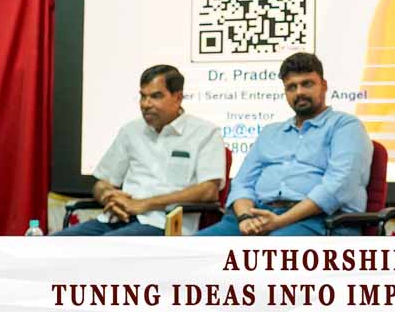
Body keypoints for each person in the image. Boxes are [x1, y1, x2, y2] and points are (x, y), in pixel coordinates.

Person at [196, 52, 373, 236]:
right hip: (257, 216)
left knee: (267, 251)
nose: (299, 92)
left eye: (307, 84)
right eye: (291, 87)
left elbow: (338, 186)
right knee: (190, 247)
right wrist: (245, 218)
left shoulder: (346, 126)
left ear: (324, 86)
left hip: (319, 221)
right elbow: (242, 184)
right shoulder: (270, 132)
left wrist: (279, 222)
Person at [55, 65, 225, 236]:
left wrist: (144, 204)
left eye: (156, 96)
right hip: (117, 218)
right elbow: (102, 182)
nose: (145, 104)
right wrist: (108, 196)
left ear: (178, 97)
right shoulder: (131, 131)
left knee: (104, 246)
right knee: (53, 244)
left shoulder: (205, 133)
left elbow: (208, 191)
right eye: (143, 96)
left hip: (163, 224)